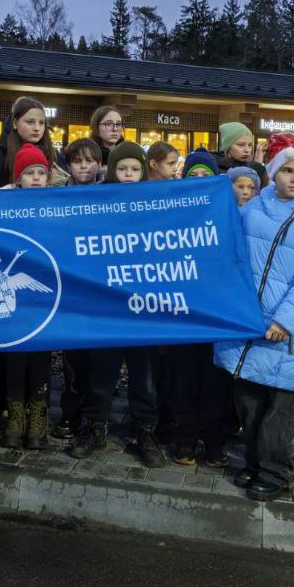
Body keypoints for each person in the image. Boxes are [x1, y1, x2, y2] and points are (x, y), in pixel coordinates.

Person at [213, 135, 294, 502]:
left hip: (285, 334)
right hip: (246, 327)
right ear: (273, 173)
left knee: (279, 411)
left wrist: (285, 320)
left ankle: (276, 471)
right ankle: (255, 463)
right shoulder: (253, 208)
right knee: (249, 405)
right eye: (288, 171)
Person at [70, 140, 167, 467]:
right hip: (107, 306)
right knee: (100, 372)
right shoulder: (96, 202)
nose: (128, 175)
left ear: (143, 172)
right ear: (112, 170)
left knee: (145, 376)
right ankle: (94, 427)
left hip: (144, 306)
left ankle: (145, 431)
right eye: (122, 168)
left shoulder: (156, 203)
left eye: (134, 169)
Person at [168, 149, 232, 466]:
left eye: (205, 175)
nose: (199, 180)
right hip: (184, 315)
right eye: (193, 175)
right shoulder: (172, 214)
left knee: (216, 382)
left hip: (217, 313)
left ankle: (214, 441)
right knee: (184, 380)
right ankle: (185, 439)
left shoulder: (227, 213)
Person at [0, 143, 55, 449]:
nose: (35, 178)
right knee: (15, 357)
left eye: (40, 173)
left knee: (40, 358)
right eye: (29, 173)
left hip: (43, 299)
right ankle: (15, 413)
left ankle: (38, 415)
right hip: (14, 300)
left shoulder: (57, 207)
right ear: (18, 179)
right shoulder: (3, 205)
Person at [54, 137, 104, 440]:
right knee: (72, 359)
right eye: (77, 161)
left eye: (89, 160)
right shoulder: (57, 195)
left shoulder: (110, 194)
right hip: (71, 291)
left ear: (99, 163)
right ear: (68, 165)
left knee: (99, 360)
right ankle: (70, 413)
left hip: (101, 291)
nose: (84, 166)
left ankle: (94, 416)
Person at [0, 96, 61, 189]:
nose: (37, 128)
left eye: (41, 123)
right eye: (30, 122)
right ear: (15, 123)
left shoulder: (55, 157)